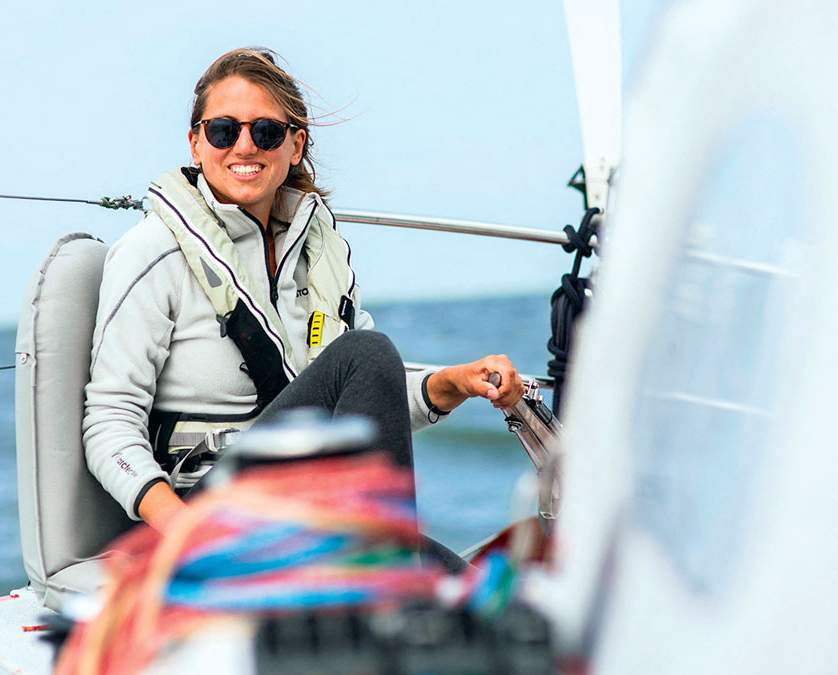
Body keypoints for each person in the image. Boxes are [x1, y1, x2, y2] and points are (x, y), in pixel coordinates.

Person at [82, 47, 524, 533]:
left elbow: (365, 394)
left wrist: (453, 382)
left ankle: (381, 573)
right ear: (196, 144)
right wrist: (184, 533)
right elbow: (109, 425)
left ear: (295, 147)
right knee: (366, 351)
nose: (245, 147)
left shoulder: (321, 255)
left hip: (304, 504)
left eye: (267, 132)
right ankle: (381, 579)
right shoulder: (152, 251)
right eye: (224, 131)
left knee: (468, 589)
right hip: (211, 515)